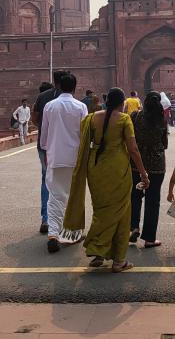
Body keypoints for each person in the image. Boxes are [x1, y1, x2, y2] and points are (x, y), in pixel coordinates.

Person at [64, 87, 150, 272]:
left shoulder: (90, 118)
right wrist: (143, 173)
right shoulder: (124, 119)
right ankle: (119, 260)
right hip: (117, 168)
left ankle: (99, 252)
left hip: (95, 168)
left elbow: (85, 142)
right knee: (121, 212)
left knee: (102, 210)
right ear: (122, 103)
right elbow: (133, 149)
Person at [39, 72, 89, 252]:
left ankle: (53, 233)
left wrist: (46, 150)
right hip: (75, 157)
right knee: (74, 196)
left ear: (59, 86)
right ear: (75, 87)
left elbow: (44, 134)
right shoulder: (81, 107)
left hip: (55, 156)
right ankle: (70, 233)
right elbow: (84, 133)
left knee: (55, 196)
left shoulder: (50, 106)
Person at [129, 91, 169, 249]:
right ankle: (149, 238)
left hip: (136, 163)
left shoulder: (135, 116)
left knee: (135, 196)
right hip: (157, 165)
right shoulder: (161, 119)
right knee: (153, 201)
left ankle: (133, 228)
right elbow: (164, 143)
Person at [33, 74, 64, 235]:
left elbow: (34, 118)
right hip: (64, 147)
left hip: (44, 146)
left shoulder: (42, 97)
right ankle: (63, 222)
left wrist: (44, 128)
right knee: (65, 183)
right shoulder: (73, 101)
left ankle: (46, 219)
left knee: (47, 180)